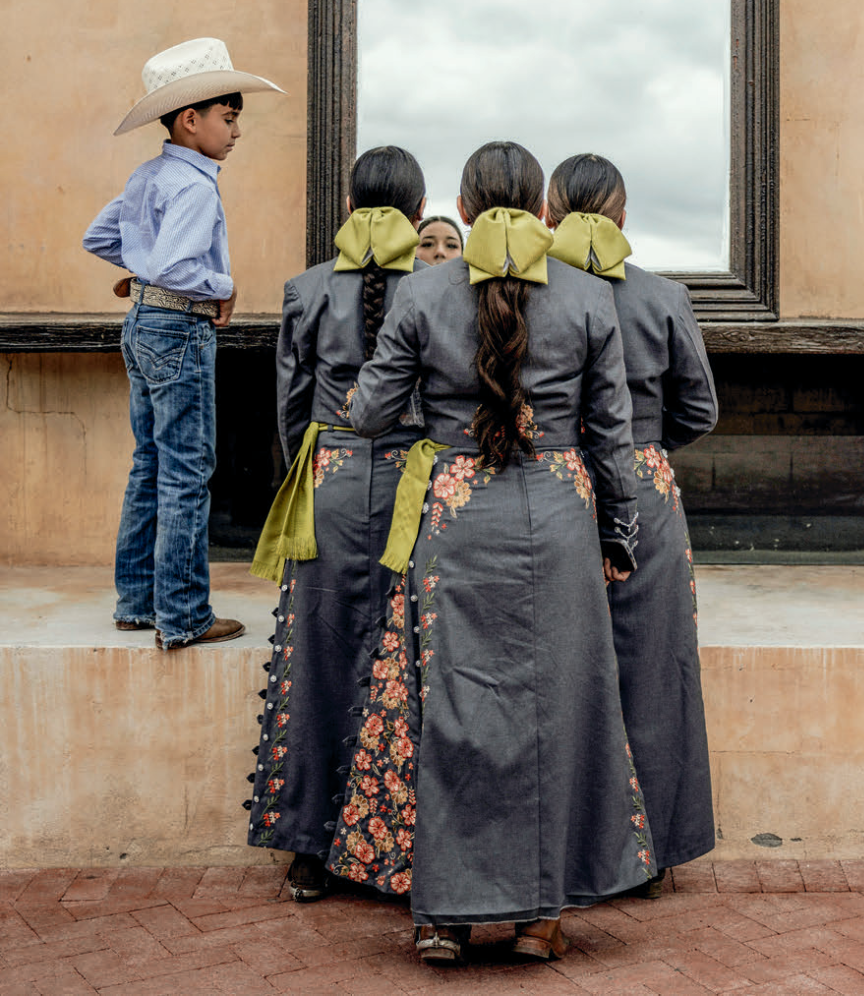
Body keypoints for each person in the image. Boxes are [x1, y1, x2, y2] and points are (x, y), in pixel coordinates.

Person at [330, 141, 652, 965]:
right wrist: (620, 536)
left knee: (455, 711)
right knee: (559, 710)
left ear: (464, 210)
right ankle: (542, 920)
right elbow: (613, 441)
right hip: (561, 514)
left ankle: (442, 915)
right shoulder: (586, 298)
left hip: (456, 519)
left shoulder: (421, 293)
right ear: (543, 213)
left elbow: (366, 416)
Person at [245, 146, 427, 903]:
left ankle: (310, 851)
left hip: (329, 480)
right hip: (415, 488)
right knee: (405, 665)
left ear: (348, 207)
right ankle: (396, 848)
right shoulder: (439, 290)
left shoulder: (307, 288)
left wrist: (321, 466)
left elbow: (291, 410)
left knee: (316, 661)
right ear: (418, 215)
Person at [547, 152, 718, 892]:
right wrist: (642, 447)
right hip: (644, 490)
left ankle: (574, 851)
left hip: (556, 487)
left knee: (562, 673)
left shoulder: (536, 295)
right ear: (622, 216)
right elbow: (700, 408)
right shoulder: (664, 297)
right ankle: (653, 856)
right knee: (652, 669)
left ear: (548, 215)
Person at [82, 36, 285, 650]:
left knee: (150, 463)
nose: (236, 132)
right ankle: (184, 614)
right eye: (229, 118)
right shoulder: (195, 185)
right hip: (177, 328)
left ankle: (136, 601)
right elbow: (175, 264)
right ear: (190, 120)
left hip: (143, 326)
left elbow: (98, 237)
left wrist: (137, 268)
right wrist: (223, 284)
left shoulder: (148, 174)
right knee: (187, 471)